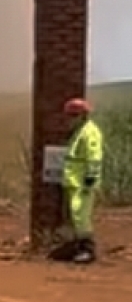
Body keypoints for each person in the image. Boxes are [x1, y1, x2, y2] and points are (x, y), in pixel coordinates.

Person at [62, 98, 104, 264]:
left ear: (83, 115)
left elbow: (94, 157)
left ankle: (87, 250)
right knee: (76, 214)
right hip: (75, 181)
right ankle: (78, 247)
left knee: (81, 215)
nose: (70, 119)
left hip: (83, 182)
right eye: (69, 115)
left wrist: (90, 178)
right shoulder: (80, 131)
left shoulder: (89, 132)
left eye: (74, 115)